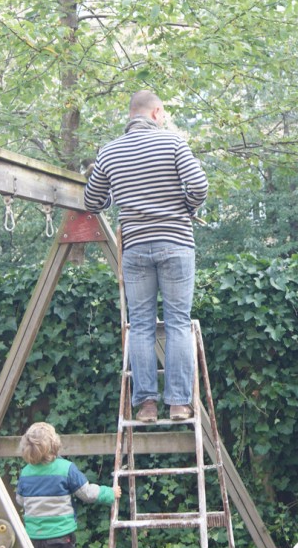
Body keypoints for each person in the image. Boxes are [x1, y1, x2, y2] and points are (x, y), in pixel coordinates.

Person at [84, 90, 209, 423]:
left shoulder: (109, 152)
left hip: (136, 248)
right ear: (155, 113)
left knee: (140, 326)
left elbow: (92, 201)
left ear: (131, 115)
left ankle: (146, 406)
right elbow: (199, 186)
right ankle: (180, 404)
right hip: (175, 243)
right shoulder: (173, 143)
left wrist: (120, 194)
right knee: (178, 323)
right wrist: (187, 207)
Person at [15, 422, 121, 548]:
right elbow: (87, 494)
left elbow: (21, 500)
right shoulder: (66, 469)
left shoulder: (25, 473)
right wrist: (110, 493)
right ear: (54, 445)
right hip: (60, 536)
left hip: (34, 537)